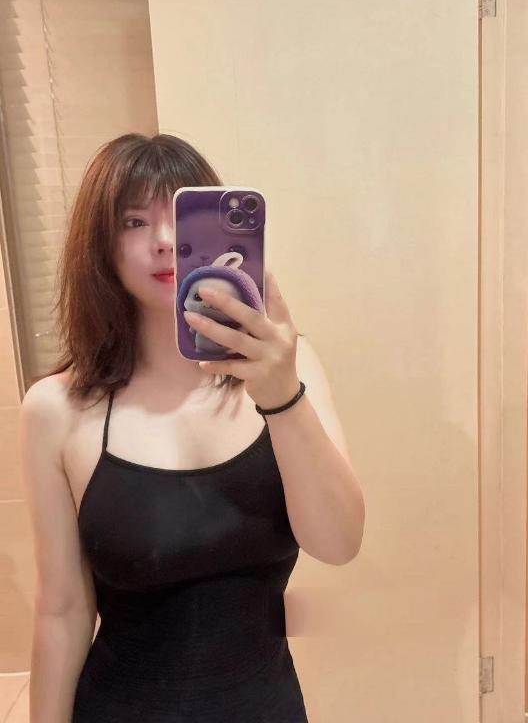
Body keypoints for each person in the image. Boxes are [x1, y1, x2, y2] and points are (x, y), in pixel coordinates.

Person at [20, 133, 363, 722]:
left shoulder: (291, 367)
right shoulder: (57, 408)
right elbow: (62, 610)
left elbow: (338, 543)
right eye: (133, 221)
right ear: (99, 244)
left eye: (181, 216)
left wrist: (281, 397)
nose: (164, 240)